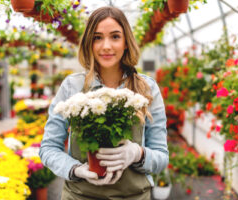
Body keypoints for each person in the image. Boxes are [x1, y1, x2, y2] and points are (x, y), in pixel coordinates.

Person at [39, 6, 169, 200]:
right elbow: (48, 148)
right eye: (97, 37)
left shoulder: (146, 89)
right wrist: (76, 169)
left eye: (115, 37)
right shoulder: (73, 86)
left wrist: (137, 154)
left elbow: (161, 157)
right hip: (79, 196)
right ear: (89, 43)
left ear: (126, 42)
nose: (106, 46)